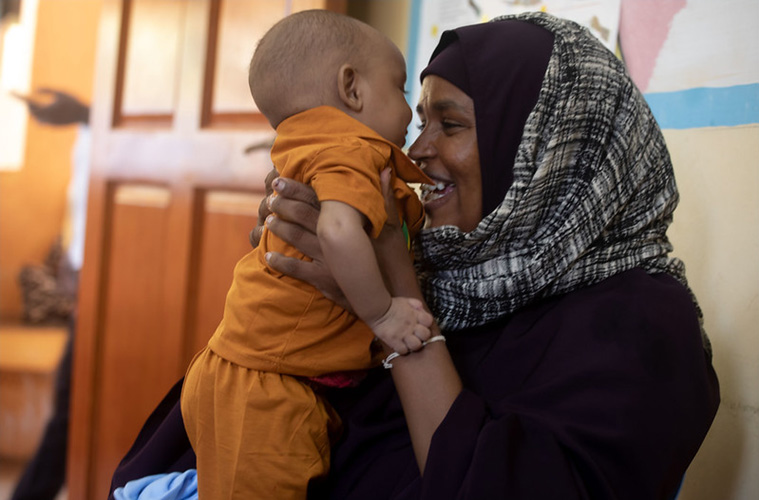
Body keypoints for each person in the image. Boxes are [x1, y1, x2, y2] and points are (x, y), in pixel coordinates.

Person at [110, 11, 719, 500]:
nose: (417, 149)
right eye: (418, 116)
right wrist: (290, 294)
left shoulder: (643, 327)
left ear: (551, 147)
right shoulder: (448, 264)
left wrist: (395, 289)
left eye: (449, 125)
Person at [180, 10, 435, 499]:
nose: (408, 117)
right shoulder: (351, 148)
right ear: (351, 89)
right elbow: (339, 232)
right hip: (267, 391)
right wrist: (384, 314)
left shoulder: (306, 142)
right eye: (402, 92)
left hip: (255, 377)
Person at [10, 88, 91, 500]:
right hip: (85, 289)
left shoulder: (111, 138)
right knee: (69, 407)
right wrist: (69, 271)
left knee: (70, 408)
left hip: (101, 292)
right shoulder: (88, 138)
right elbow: (82, 215)